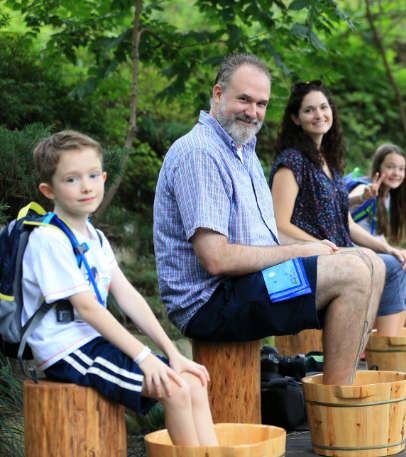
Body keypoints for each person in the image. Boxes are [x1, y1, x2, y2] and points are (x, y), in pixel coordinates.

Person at [154, 55, 385, 386]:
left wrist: (313, 246)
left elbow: (267, 236)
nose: (253, 111)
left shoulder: (242, 149)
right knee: (352, 274)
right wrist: (300, 253)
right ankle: (338, 402)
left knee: (369, 262)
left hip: (247, 285)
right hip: (213, 303)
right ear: (218, 94)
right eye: (244, 99)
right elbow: (216, 259)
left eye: (261, 103)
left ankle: (337, 392)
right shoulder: (201, 153)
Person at [26, 131, 218, 446]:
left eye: (91, 175)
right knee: (175, 389)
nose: (86, 186)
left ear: (103, 177)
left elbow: (128, 296)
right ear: (49, 190)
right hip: (65, 350)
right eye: (71, 179)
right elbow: (87, 308)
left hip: (93, 342)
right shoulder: (49, 239)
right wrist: (144, 357)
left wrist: (172, 354)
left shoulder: (94, 237)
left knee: (192, 381)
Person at [269, 81, 406, 338]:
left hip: (340, 251)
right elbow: (279, 224)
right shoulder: (291, 162)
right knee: (384, 266)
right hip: (311, 257)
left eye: (324, 107)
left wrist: (387, 247)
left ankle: (383, 348)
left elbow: (348, 223)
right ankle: (370, 349)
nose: (319, 115)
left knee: (402, 261)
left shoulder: (331, 163)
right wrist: (322, 246)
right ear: (295, 118)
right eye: (309, 110)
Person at [348, 144, 406, 314]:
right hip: (356, 250)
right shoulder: (365, 188)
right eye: (390, 167)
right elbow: (340, 203)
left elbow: (376, 233)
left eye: (401, 169)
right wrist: (362, 196)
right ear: (378, 167)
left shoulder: (387, 196)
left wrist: (392, 248)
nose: (396, 173)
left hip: (372, 249)